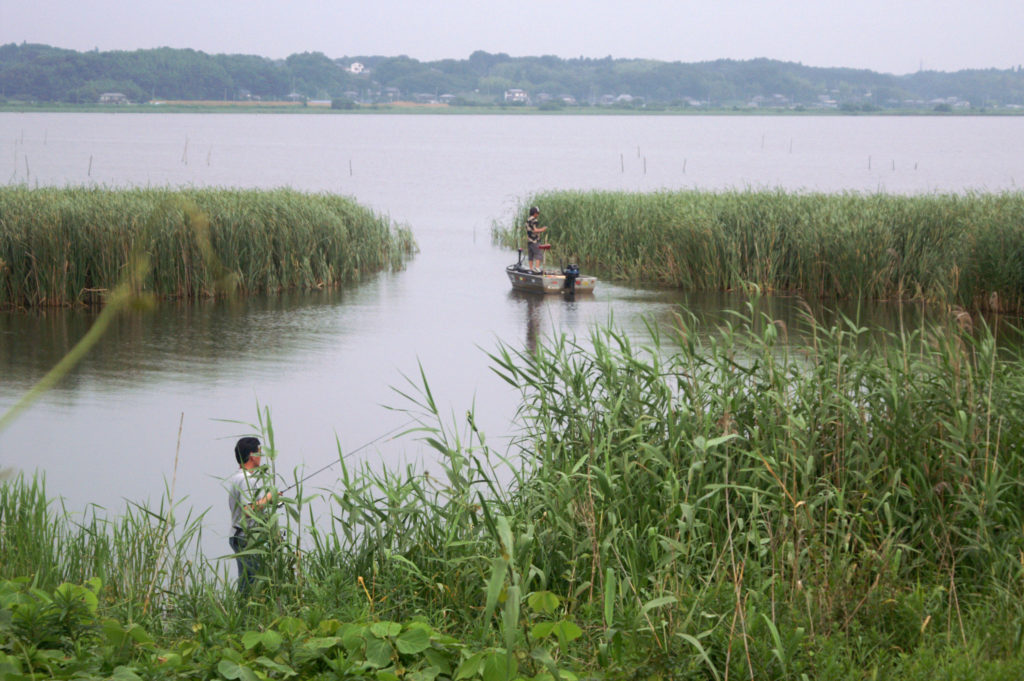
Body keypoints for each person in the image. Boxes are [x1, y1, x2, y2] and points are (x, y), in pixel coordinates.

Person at [226, 436, 274, 595]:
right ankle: (245, 615)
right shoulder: (248, 480)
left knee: (248, 579)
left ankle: (243, 614)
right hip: (247, 539)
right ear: (253, 455)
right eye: (260, 452)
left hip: (239, 536)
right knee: (250, 582)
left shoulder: (237, 477)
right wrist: (269, 498)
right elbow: (248, 510)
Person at [525, 206, 548, 273]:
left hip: (529, 241)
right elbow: (535, 230)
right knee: (539, 254)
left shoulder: (528, 220)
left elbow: (530, 229)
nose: (538, 215)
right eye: (537, 213)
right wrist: (542, 229)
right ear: (535, 213)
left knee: (530, 255)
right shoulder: (534, 220)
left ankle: (531, 269)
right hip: (534, 241)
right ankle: (537, 268)